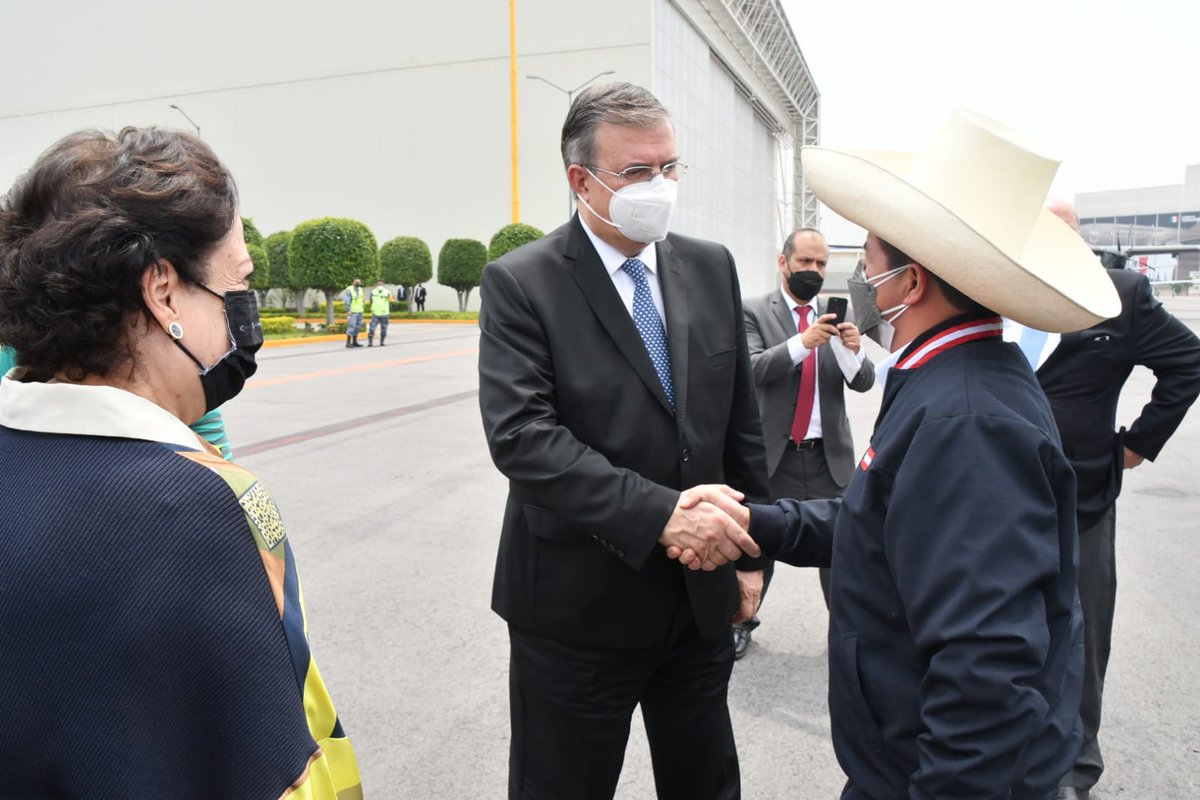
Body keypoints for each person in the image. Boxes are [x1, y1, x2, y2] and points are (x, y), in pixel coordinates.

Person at [678, 110, 1123, 798]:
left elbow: (984, 669)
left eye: (869, 261)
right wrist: (754, 523)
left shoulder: (966, 420)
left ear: (911, 284)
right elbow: (883, 521)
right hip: (904, 757)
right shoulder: (957, 378)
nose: (860, 276)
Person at [0, 127, 361, 799]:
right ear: (163, 291)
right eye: (239, 283)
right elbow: (273, 765)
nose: (243, 316)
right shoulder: (193, 508)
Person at [477, 82, 769, 800]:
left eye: (669, 167)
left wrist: (755, 555)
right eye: (637, 172)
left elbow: (740, 425)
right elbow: (524, 438)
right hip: (576, 611)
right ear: (581, 180)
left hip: (701, 601)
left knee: (707, 784)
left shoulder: (709, 267)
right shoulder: (524, 283)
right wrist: (663, 515)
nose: (659, 187)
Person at [1006, 199, 1200, 800]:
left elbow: (1189, 362)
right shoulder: (997, 291)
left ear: (1079, 237)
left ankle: (1075, 771)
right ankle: (1009, 755)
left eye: (1063, 231)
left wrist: (1137, 445)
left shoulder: (1121, 294)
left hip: (1082, 502)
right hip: (997, 500)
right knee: (1000, 635)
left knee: (1082, 644)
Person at [733, 227, 874, 658]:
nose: (813, 271)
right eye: (805, 263)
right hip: (775, 458)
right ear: (783, 263)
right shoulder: (753, 311)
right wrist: (802, 343)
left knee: (843, 549)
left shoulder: (838, 315)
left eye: (820, 264)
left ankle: (854, 632)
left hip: (828, 458)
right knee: (757, 544)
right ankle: (741, 621)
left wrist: (851, 350)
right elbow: (752, 369)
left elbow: (864, 382)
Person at [368, 278, 392, 347]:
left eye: (381, 284)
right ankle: (370, 342)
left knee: (384, 329)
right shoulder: (373, 292)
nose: (380, 285)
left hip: (384, 314)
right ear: (376, 285)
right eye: (378, 284)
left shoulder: (387, 292)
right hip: (375, 313)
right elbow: (370, 302)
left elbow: (391, 302)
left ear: (383, 284)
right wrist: (372, 309)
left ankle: (382, 342)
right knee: (372, 328)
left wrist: (387, 309)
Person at [343, 277, 364, 347]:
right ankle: (348, 342)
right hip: (352, 312)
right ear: (353, 282)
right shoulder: (349, 290)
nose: (358, 283)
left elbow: (362, 300)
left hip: (360, 311)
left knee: (357, 327)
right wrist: (348, 310)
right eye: (356, 282)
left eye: (359, 282)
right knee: (351, 326)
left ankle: (355, 341)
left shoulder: (361, 289)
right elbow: (346, 301)